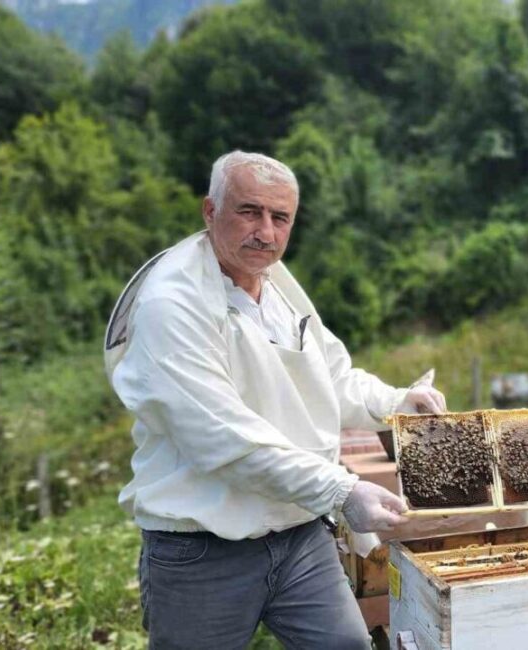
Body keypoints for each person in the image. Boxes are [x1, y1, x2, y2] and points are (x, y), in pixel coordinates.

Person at [103, 151, 446, 649]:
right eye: (249, 211)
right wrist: (342, 491)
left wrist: (398, 401)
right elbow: (224, 439)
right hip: (203, 549)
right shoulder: (171, 304)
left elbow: (329, 377)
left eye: (279, 217)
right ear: (209, 211)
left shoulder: (277, 285)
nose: (265, 230)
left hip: (298, 533)